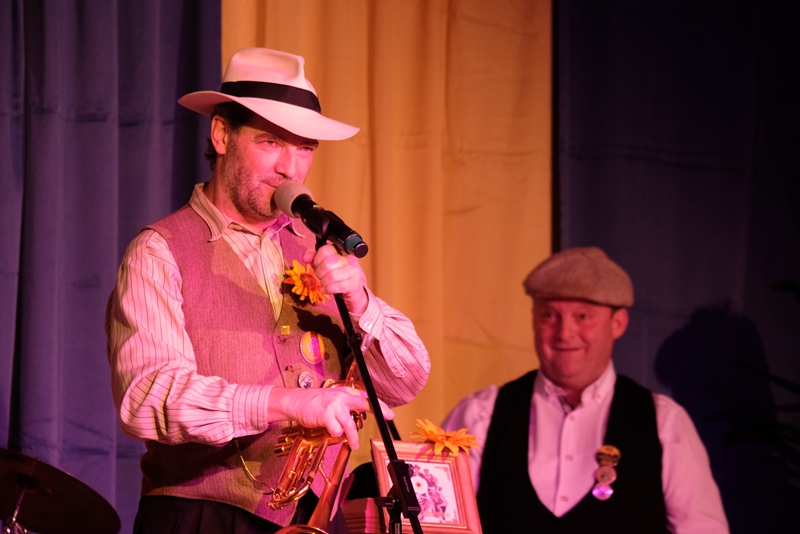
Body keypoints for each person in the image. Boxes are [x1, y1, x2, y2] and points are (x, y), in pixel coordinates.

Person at [106, 47, 430, 534]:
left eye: (304, 149)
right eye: (271, 143)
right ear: (221, 135)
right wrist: (286, 402)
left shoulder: (317, 246)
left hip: (313, 519)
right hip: (200, 518)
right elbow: (148, 397)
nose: (289, 169)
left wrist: (361, 302)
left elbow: (404, 383)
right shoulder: (160, 250)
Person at [442, 247, 728, 534]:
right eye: (549, 315)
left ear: (618, 324)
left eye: (582, 316)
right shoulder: (479, 416)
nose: (564, 333)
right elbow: (434, 524)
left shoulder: (664, 423)